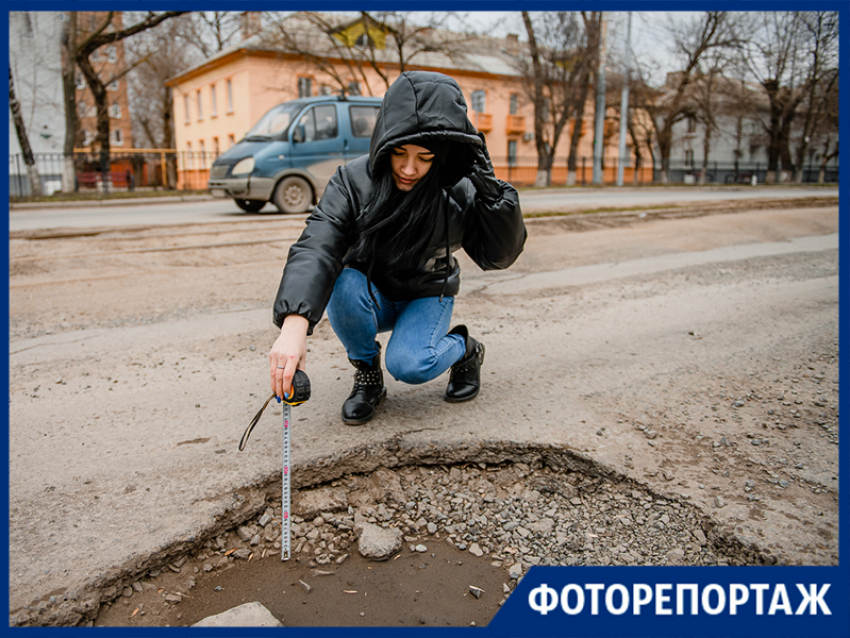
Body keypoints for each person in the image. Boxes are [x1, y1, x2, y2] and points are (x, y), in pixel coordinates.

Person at [269, 71, 527, 425]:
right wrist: (293, 326)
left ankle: (465, 350)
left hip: (427, 292)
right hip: (369, 292)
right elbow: (318, 246)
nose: (409, 168)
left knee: (410, 365)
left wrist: (492, 196)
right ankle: (368, 375)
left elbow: (498, 256)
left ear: (441, 155)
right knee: (341, 279)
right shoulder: (352, 181)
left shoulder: (460, 188)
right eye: (400, 153)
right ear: (385, 142)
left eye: (424, 157)